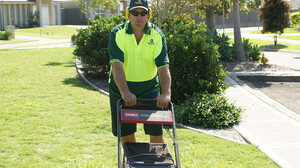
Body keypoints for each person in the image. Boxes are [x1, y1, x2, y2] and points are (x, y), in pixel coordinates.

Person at [108, 0, 171, 145]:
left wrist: (166, 93)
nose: (139, 16)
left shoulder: (157, 35)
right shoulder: (117, 33)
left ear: (149, 14)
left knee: (157, 134)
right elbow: (116, 66)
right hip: (121, 90)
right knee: (127, 136)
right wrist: (125, 92)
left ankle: (156, 165)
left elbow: (163, 67)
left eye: (143, 13)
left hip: (149, 89)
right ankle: (130, 164)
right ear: (128, 14)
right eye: (135, 13)